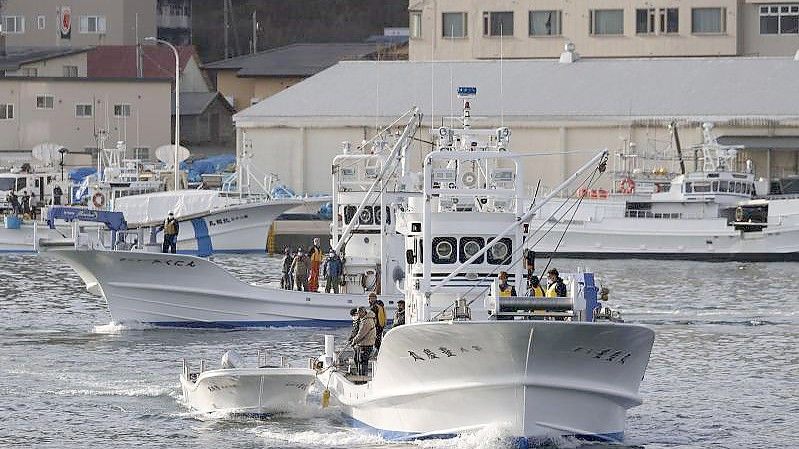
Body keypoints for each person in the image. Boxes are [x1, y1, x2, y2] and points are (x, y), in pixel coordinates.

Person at [350, 306, 376, 376]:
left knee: (363, 362)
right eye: (357, 313)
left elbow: (361, 334)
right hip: (364, 344)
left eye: (359, 313)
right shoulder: (365, 319)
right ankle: (361, 376)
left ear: (363, 312)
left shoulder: (366, 321)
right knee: (359, 360)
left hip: (366, 345)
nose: (358, 314)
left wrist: (353, 341)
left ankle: (363, 378)